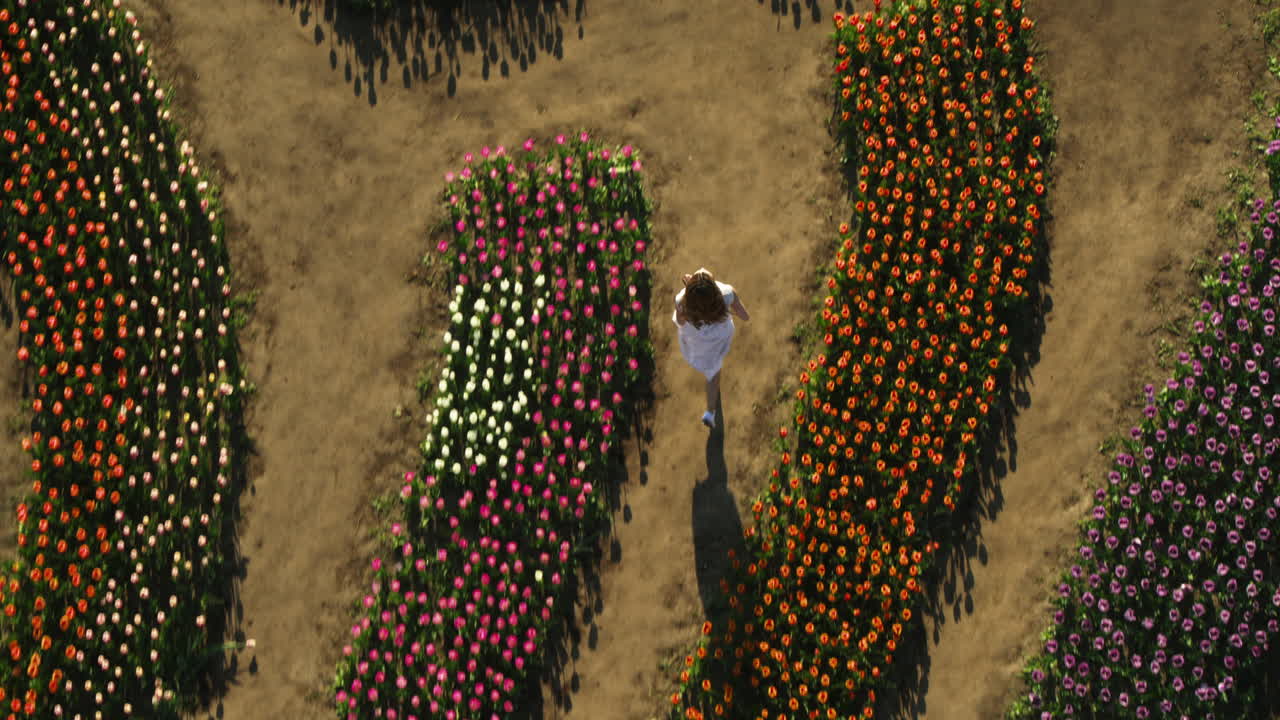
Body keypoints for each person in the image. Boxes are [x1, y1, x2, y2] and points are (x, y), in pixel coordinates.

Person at [672, 267, 751, 428]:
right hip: (719, 338)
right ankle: (710, 412)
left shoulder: (681, 302)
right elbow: (744, 316)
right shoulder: (727, 294)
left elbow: (680, 322)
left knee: (711, 369)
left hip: (697, 344)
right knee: (714, 375)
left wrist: (689, 291)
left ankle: (711, 412)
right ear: (715, 289)